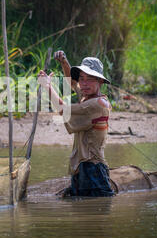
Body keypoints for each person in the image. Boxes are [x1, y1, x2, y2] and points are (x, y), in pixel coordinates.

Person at [38, 50, 114, 197]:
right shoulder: (88, 97)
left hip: (93, 168)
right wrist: (64, 63)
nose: (84, 84)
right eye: (82, 78)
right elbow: (72, 83)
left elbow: (63, 110)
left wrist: (48, 87)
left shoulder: (97, 104)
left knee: (96, 210)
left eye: (90, 79)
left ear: (100, 81)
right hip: (81, 167)